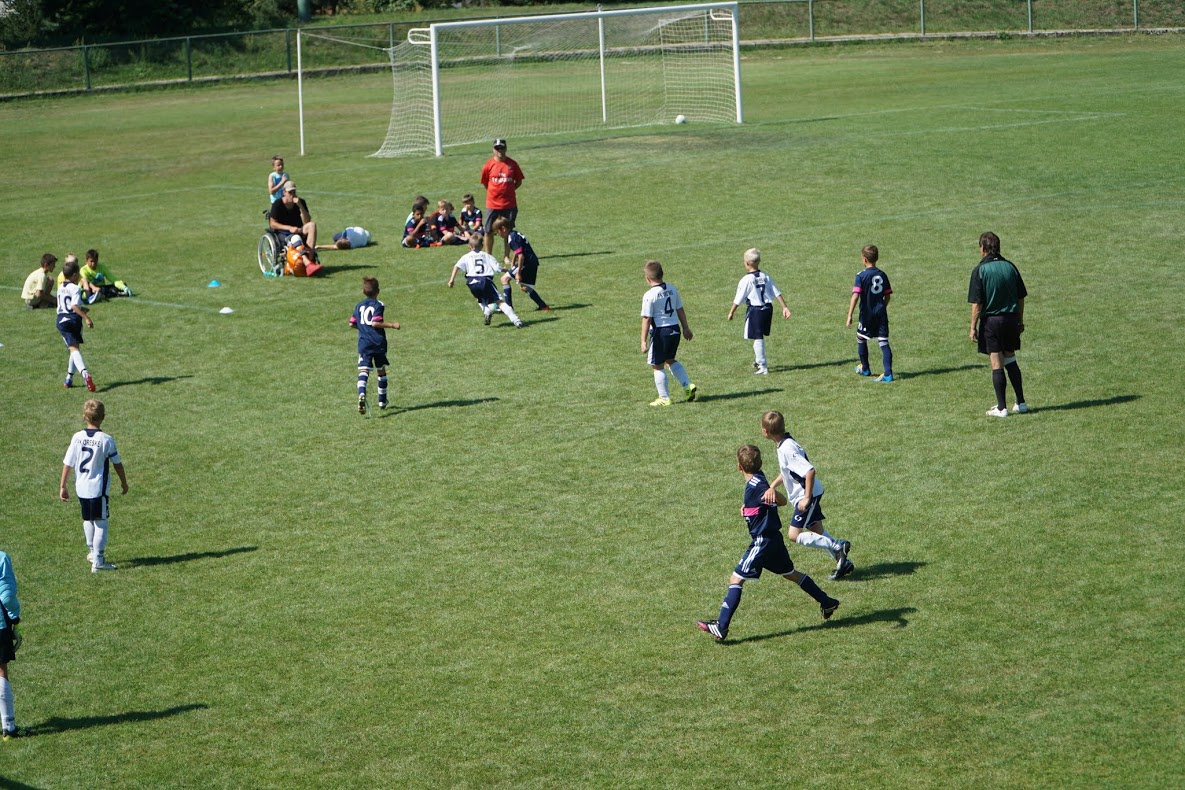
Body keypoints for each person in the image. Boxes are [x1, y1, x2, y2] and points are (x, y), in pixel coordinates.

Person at [696, 445, 840, 641]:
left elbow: (780, 501)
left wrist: (771, 494)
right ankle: (826, 601)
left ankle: (721, 626)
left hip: (762, 541)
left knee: (736, 579)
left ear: (739, 467)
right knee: (790, 574)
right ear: (761, 464)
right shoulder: (759, 478)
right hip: (773, 540)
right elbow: (765, 503)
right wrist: (748, 508)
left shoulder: (757, 486)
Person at [760, 410, 854, 580]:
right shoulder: (783, 444)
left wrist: (807, 498)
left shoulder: (787, 449)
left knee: (794, 535)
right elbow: (788, 472)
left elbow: (809, 471)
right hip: (808, 494)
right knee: (816, 530)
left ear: (765, 432)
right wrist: (772, 486)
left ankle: (838, 546)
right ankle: (843, 563)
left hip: (807, 496)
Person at [60, 399, 129, 573]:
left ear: (84, 417)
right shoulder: (106, 440)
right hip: (98, 489)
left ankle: (91, 551)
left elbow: (68, 463)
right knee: (101, 522)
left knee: (88, 519)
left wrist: (63, 486)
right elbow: (117, 464)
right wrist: (124, 482)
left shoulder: (77, 437)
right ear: (103, 417)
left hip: (81, 488)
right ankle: (98, 560)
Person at [969, 231, 1029, 416]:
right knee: (1010, 358)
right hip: (1011, 320)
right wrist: (1019, 320)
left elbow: (977, 304)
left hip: (992, 323)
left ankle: (1002, 408)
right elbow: (1021, 297)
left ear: (983, 248)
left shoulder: (980, 270)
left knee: (997, 363)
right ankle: (1021, 402)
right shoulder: (1011, 267)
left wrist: (972, 327)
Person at [726, 248, 791, 375]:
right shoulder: (765, 276)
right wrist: (784, 307)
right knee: (758, 336)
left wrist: (731, 312)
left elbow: (738, 298)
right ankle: (758, 360)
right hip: (768, 309)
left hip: (756, 310)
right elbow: (776, 292)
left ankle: (762, 365)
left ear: (746, 263)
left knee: (757, 337)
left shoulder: (746, 280)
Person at [640, 259, 697, 407]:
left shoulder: (649, 295)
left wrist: (643, 341)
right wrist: (686, 328)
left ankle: (664, 398)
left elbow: (647, 319)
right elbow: (680, 309)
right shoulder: (672, 289)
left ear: (647, 278)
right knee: (670, 359)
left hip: (660, 332)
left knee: (657, 365)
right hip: (675, 330)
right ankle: (687, 385)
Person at [448, 234, 523, 328]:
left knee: (480, 298)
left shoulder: (466, 256)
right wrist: (505, 270)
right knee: (499, 302)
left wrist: (451, 280)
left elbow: (456, 266)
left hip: (471, 283)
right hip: (485, 280)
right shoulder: (487, 256)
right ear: (482, 246)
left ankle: (487, 311)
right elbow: (497, 268)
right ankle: (516, 320)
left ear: (469, 247)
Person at [350, 276, 401, 414]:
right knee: (381, 370)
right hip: (378, 343)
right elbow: (375, 323)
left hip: (364, 343)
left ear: (363, 292)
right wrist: (392, 325)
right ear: (378, 291)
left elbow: (352, 323)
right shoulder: (378, 305)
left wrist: (362, 328)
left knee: (364, 370)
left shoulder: (358, 306)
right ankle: (382, 401)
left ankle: (362, 393)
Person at [846, 244, 894, 382]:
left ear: (864, 259)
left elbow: (855, 296)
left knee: (861, 338)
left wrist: (849, 315)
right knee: (883, 342)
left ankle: (865, 368)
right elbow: (888, 296)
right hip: (881, 314)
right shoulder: (882, 275)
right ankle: (888, 374)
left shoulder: (861, 276)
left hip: (867, 315)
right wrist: (882, 308)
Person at [491, 218, 550, 312]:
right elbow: (517, 251)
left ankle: (508, 308)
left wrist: (518, 273)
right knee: (524, 287)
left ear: (503, 228)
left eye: (497, 232)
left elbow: (521, 256)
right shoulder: (514, 234)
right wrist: (513, 263)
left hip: (526, 263)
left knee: (504, 279)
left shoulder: (512, 238)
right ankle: (543, 306)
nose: (498, 234)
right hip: (532, 262)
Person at [56, 258, 97, 392]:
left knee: (73, 349)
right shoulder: (75, 288)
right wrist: (86, 317)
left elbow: (66, 305)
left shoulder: (60, 287)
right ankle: (84, 374)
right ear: (74, 275)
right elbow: (73, 306)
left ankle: (69, 378)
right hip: (73, 320)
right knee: (74, 349)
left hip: (62, 320)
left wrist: (81, 309)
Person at [480, 138, 523, 257]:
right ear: (493, 150)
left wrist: (509, 190)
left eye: (502, 148)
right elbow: (485, 182)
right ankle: (488, 256)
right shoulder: (488, 165)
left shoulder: (512, 164)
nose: (500, 150)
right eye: (497, 148)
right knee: (488, 230)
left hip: (509, 204)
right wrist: (494, 192)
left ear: (506, 148)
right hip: (492, 204)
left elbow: (519, 181)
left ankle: (506, 256)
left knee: (507, 231)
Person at [0, 549, 21, 740]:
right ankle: (9, 726)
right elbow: (6, 596)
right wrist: (15, 619)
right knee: (1, 671)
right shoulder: (1, 558)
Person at [268, 182, 318, 250]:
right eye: (290, 192)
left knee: (312, 225)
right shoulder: (277, 204)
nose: (292, 195)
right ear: (284, 192)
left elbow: (307, 221)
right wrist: (289, 228)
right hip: (283, 233)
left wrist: (300, 206)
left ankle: (310, 253)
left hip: (298, 230)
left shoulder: (301, 202)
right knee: (295, 238)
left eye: (294, 192)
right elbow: (272, 224)